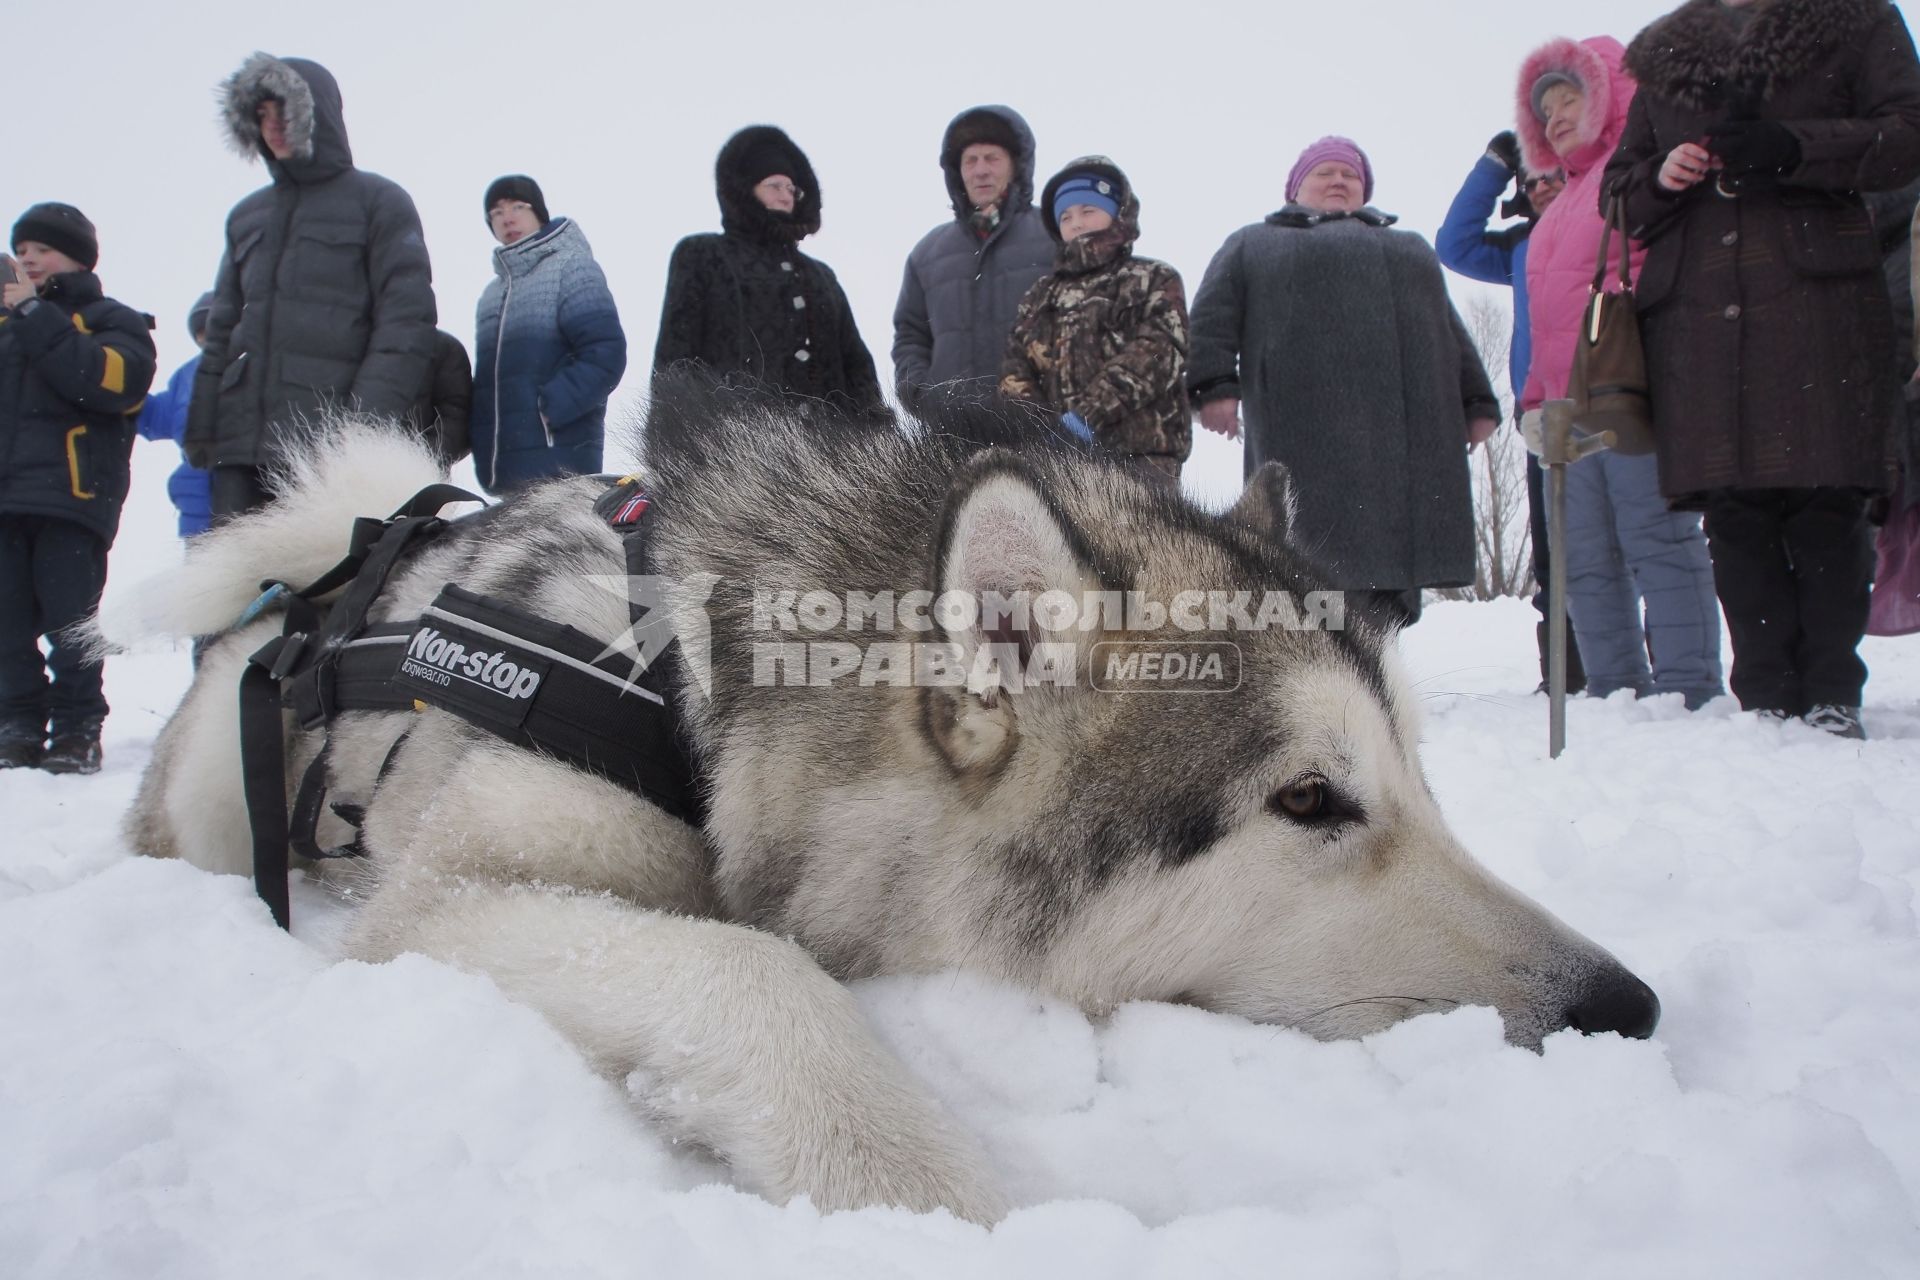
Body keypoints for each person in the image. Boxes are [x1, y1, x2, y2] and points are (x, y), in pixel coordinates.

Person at [1605, 0, 1920, 738]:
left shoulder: (1856, 18)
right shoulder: (1666, 48)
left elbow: (1909, 133)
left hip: (1819, 298)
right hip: (1698, 314)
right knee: (1734, 510)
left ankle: (1831, 692)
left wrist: (1794, 146)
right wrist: (1662, 174)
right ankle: (1766, 701)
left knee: (1825, 499)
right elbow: (1617, 191)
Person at [1187, 137, 1499, 625]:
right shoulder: (1255, 242)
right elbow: (1212, 315)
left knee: (1392, 565)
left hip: (1404, 433)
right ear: (1295, 189)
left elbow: (1447, 327)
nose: (1338, 181)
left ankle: (1381, 662)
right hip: (1303, 424)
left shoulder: (1408, 247)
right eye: (1324, 173)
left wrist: (1476, 401)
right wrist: (1214, 386)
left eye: (1349, 176)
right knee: (1308, 552)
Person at [1515, 36, 1724, 710]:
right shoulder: (1553, 214)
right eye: (1545, 111)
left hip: (1629, 389)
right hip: (1564, 408)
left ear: (1608, 96)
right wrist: (1534, 399)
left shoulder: (1630, 175)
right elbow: (1543, 319)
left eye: (1571, 98)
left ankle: (1689, 686)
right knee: (1583, 559)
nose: (1556, 118)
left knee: (1656, 536)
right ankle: (1613, 689)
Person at [188, 53, 437, 519]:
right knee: (236, 586)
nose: (273, 126)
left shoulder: (379, 201)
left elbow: (406, 322)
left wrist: (362, 428)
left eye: (284, 110)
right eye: (261, 116)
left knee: (326, 584)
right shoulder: (246, 216)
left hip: (326, 438)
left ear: (316, 111)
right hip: (240, 445)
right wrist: (202, 424)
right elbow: (221, 330)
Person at [0, 204, 157, 772]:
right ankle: (15, 725)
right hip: (5, 499)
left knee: (72, 625)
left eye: (42, 248)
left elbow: (107, 384)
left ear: (78, 256)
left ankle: (76, 729)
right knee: (6, 624)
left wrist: (33, 313)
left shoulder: (112, 320)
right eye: (20, 250)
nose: (27, 258)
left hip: (73, 498)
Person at [1436, 132, 1585, 691]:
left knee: (1627, 546)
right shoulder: (1524, 247)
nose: (1545, 186)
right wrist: (1495, 164)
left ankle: (1636, 668)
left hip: (1613, 404)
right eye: (1533, 180)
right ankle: (1568, 674)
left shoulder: (1609, 229)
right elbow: (1454, 245)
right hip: (1543, 415)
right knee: (1554, 554)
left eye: (1555, 174)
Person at [654, 126, 885, 422]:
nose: (787, 196)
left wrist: (876, 435)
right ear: (745, 189)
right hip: (732, 447)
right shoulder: (702, 254)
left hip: (829, 452)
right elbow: (675, 357)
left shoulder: (821, 276)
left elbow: (857, 366)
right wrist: (669, 439)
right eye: (774, 185)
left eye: (792, 189)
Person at [1000, 158, 1190, 488]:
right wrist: (1039, 430)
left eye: (1088, 210)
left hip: (1142, 458)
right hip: (1059, 462)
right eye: (1066, 216)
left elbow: (1158, 353)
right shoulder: (1040, 295)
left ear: (1119, 212)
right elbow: (1015, 369)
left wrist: (1087, 416)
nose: (1076, 223)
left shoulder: (1152, 278)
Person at [892, 106, 1055, 412]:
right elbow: (910, 335)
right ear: (958, 172)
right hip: (949, 438)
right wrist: (921, 394)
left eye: (992, 158)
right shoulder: (927, 253)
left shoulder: (1054, 237)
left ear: (1016, 165)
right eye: (970, 160)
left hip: (1043, 435)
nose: (981, 170)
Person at [472, 175, 625, 493]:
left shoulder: (571, 266)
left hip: (561, 463)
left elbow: (605, 353)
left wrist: (547, 409)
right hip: (502, 471)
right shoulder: (491, 295)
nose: (507, 218)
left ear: (538, 212)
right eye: (496, 213)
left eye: (517, 206)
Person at [133, 291, 215, 538]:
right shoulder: (186, 376)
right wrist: (130, 349)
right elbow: (151, 415)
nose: (206, 335)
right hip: (195, 493)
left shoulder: (260, 367)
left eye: (215, 324)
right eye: (200, 329)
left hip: (249, 479)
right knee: (206, 570)